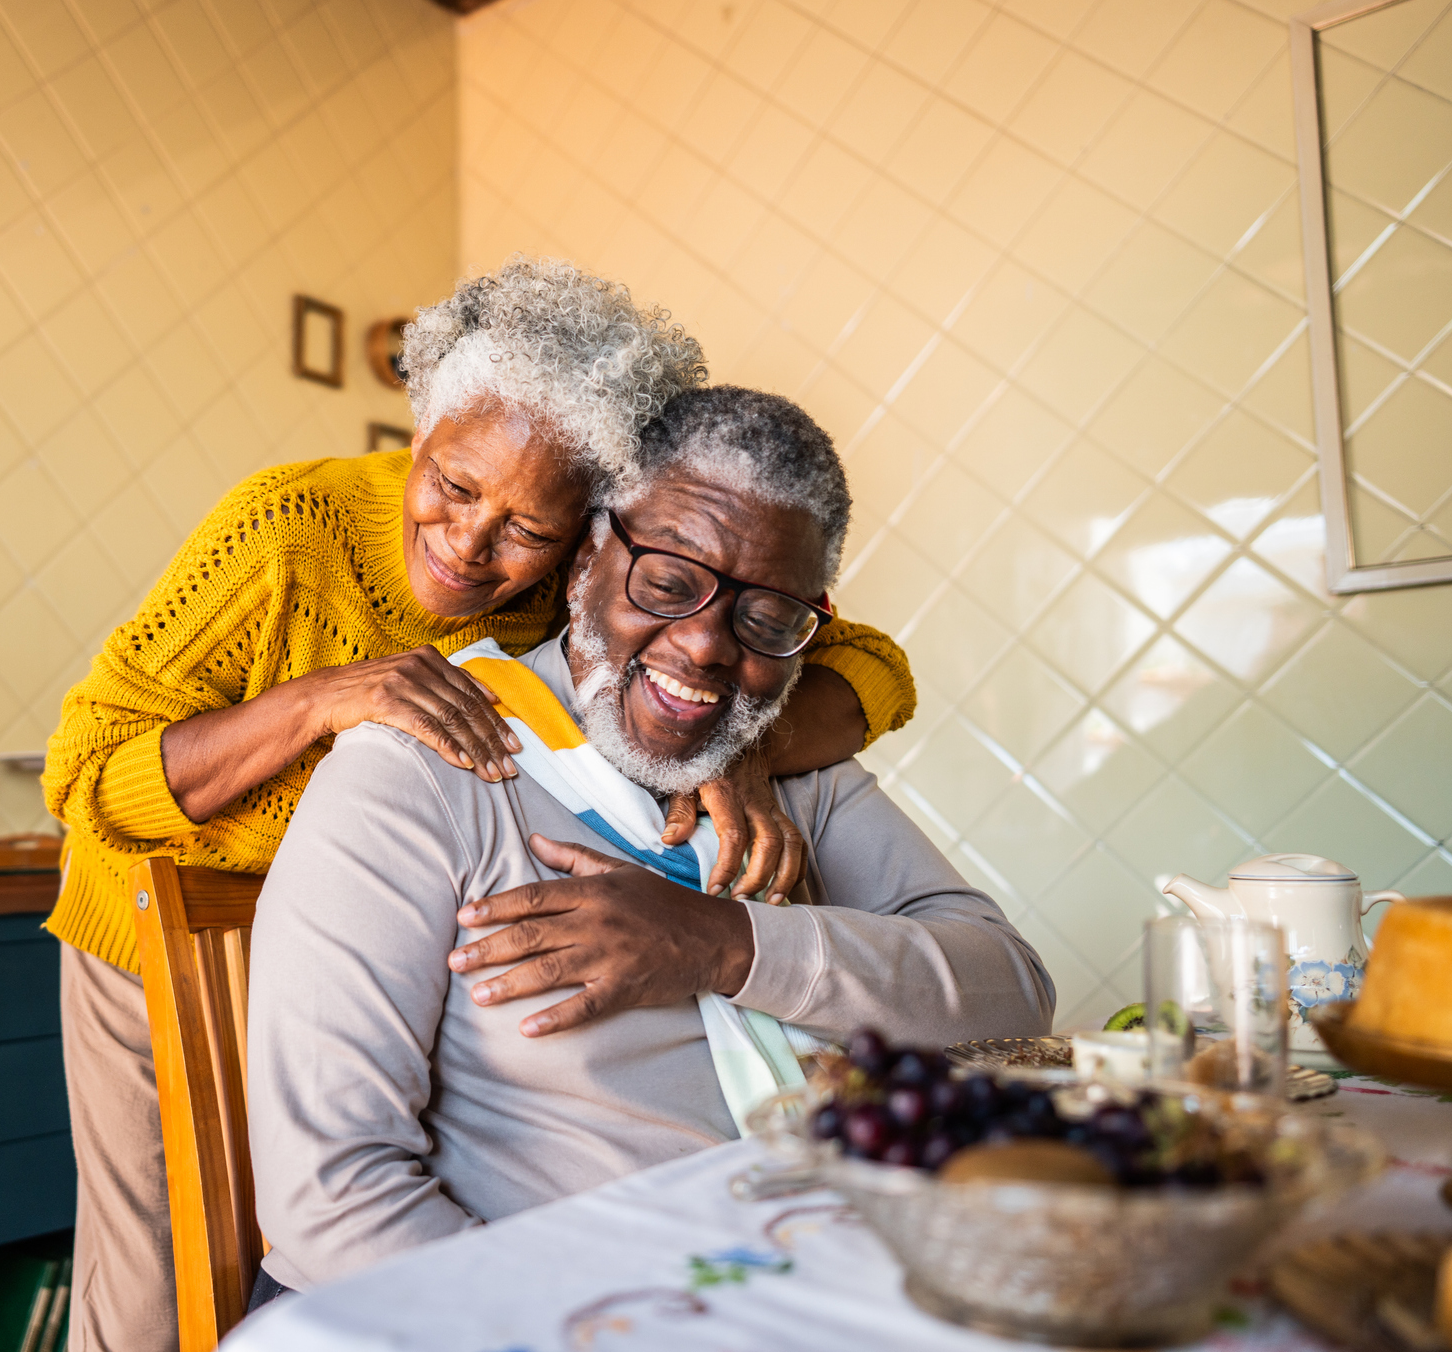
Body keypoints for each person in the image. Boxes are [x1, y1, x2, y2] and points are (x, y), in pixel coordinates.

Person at [41, 262, 917, 1352]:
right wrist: (319, 700)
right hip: (168, 931)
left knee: (324, 1232)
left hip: (367, 943)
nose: (468, 543)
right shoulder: (285, 530)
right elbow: (87, 778)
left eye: (526, 527)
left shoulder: (558, 593)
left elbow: (870, 669)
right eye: (452, 484)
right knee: (157, 1308)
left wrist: (737, 744)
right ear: (422, 430)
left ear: (585, 539)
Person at [245, 386, 1054, 1295]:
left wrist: (720, 944)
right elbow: (331, 1199)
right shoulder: (419, 772)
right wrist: (608, 1346)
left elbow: (1010, 993)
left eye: (766, 618)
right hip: (530, 1325)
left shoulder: (778, 763)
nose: (706, 646)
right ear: (586, 558)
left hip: (794, 1289)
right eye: (666, 584)